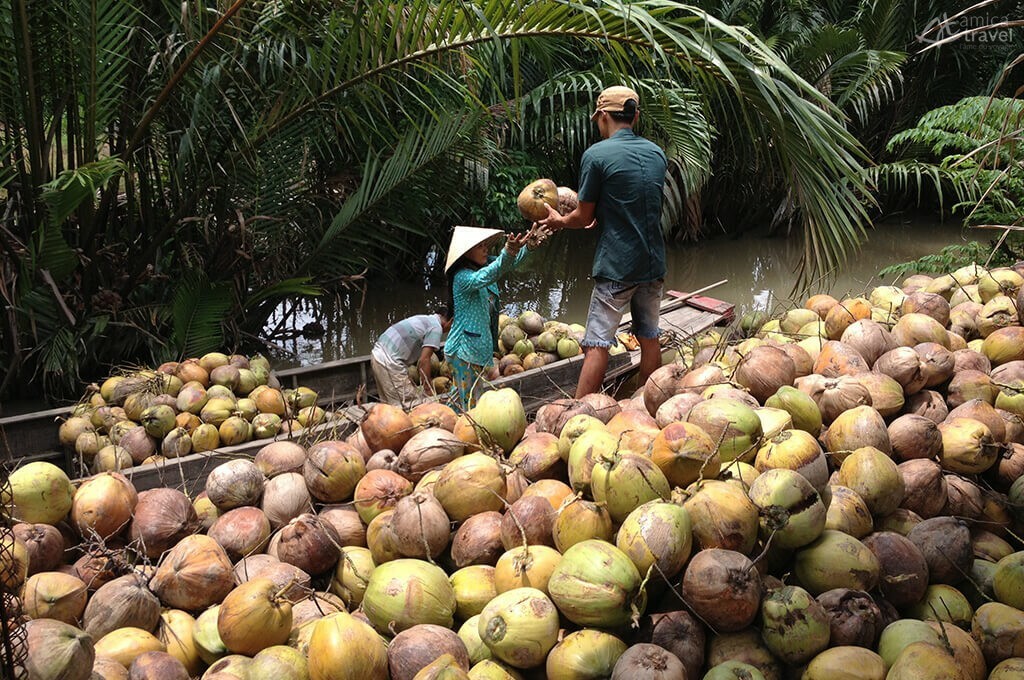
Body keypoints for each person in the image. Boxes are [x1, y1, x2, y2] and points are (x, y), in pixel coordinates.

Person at [539, 85, 668, 398]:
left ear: (603, 117)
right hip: (653, 262)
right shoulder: (656, 153)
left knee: (596, 343)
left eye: (597, 119)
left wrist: (559, 221)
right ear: (635, 116)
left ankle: (580, 411)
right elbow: (635, 200)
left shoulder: (596, 155)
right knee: (649, 335)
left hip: (617, 264)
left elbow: (583, 217)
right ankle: (648, 402)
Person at [444, 225, 538, 409]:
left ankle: (451, 418)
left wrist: (528, 247)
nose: (485, 249)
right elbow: (491, 272)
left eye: (485, 245)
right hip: (463, 351)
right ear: (466, 252)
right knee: (468, 401)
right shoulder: (462, 277)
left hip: (475, 349)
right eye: (480, 246)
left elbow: (507, 263)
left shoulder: (483, 266)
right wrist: (508, 251)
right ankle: (455, 423)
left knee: (468, 396)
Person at [370, 307, 453, 408]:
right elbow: (424, 360)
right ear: (451, 321)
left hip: (377, 354)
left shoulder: (426, 319)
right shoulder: (436, 328)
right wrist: (428, 388)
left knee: (388, 405)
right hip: (389, 361)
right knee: (410, 404)